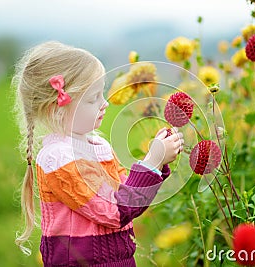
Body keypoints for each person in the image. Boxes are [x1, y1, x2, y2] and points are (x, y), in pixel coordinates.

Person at [12, 41, 184, 266]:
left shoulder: (98, 147)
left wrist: (157, 163)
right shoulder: (58, 159)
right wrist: (152, 161)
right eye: (93, 98)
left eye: (102, 93)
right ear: (57, 108)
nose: (104, 103)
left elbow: (127, 197)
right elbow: (115, 211)